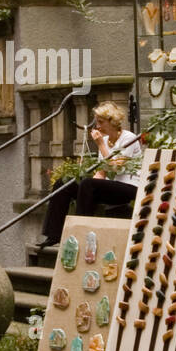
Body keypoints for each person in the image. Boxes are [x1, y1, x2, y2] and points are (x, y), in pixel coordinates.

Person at [40, 102, 142, 247]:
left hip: (130, 187)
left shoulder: (128, 138)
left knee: (88, 184)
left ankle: (82, 233)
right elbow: (102, 172)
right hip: (111, 186)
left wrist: (100, 144)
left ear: (112, 122)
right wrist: (84, 182)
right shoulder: (106, 140)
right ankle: (53, 234)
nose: (98, 126)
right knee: (65, 182)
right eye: (96, 122)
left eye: (101, 122)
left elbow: (116, 168)